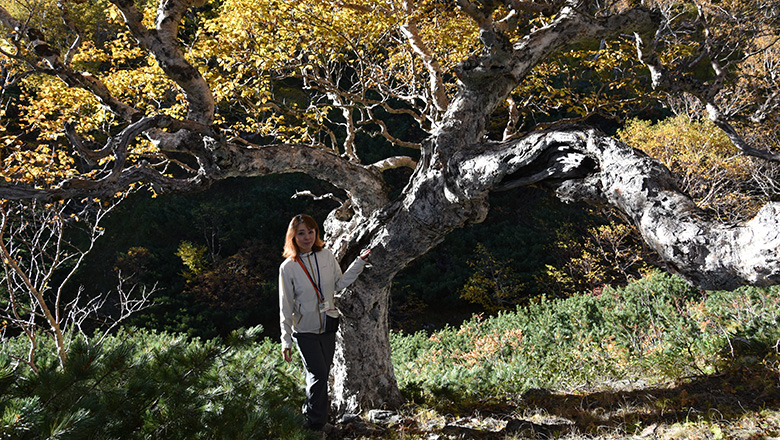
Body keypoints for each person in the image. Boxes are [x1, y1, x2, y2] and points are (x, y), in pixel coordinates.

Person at [279, 214, 370, 432]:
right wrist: (286, 341)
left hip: (328, 325)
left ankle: (312, 417)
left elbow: (338, 284)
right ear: (293, 236)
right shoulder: (287, 267)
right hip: (304, 331)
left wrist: (359, 263)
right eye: (301, 233)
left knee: (321, 373)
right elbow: (285, 306)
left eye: (311, 232)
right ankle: (315, 425)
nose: (307, 237)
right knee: (318, 375)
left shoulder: (326, 255)